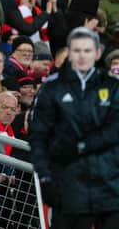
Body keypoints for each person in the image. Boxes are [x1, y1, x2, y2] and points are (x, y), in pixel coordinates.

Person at [30, 27, 119, 229]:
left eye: (87, 50)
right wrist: (44, 175)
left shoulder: (112, 88)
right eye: (76, 50)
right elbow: (39, 135)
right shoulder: (52, 88)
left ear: (97, 53)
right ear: (69, 53)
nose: (82, 56)